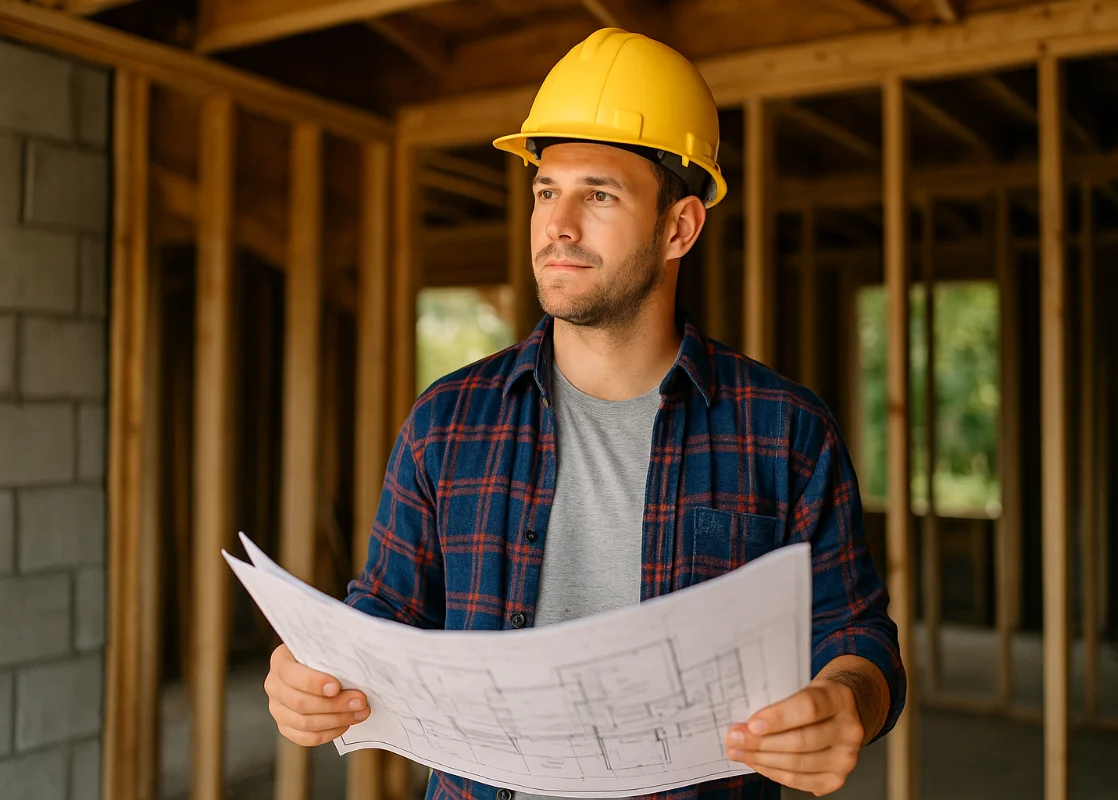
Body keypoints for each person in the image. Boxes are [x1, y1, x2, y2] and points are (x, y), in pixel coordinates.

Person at [263, 27, 905, 800]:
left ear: (680, 227)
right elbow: (385, 610)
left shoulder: (784, 431)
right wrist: (314, 675)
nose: (556, 224)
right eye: (545, 192)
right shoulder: (447, 424)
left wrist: (848, 703)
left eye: (597, 194)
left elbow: (855, 631)